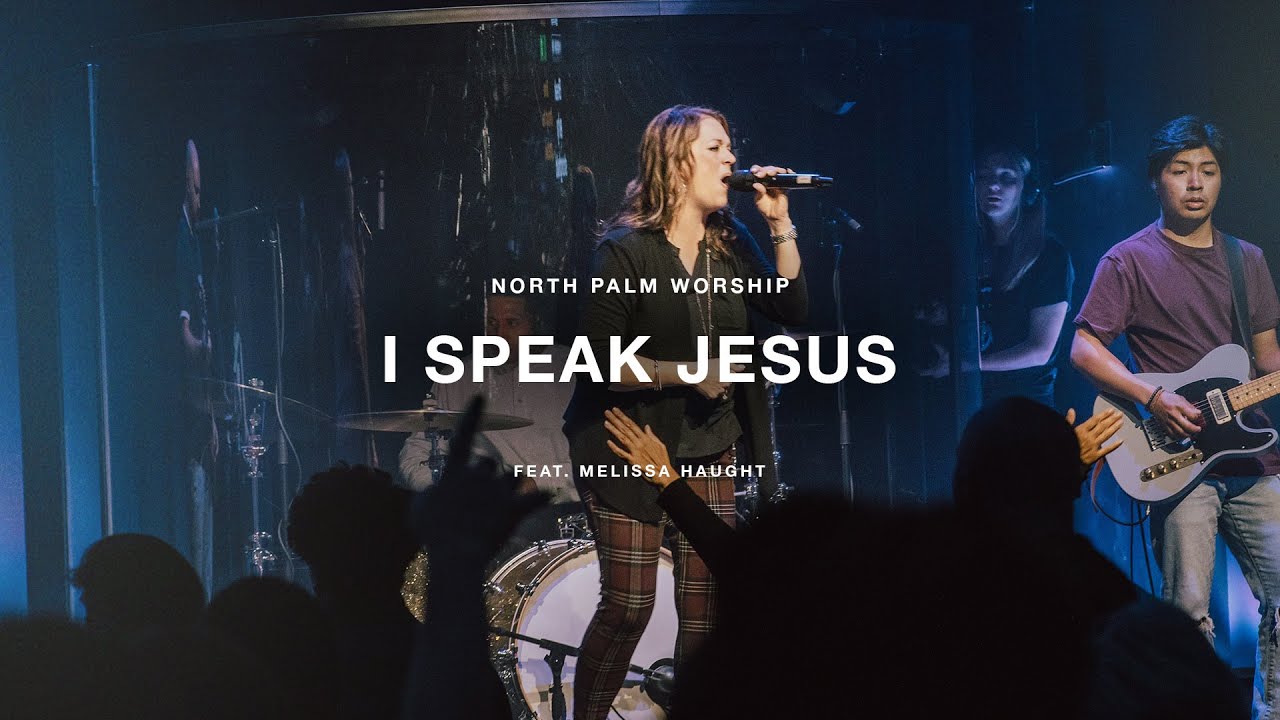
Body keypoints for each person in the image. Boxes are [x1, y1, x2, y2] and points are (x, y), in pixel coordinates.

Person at [561, 104, 808, 719]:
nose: (732, 159)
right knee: (629, 606)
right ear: (676, 162)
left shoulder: (730, 242)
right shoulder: (625, 251)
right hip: (627, 442)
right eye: (716, 148)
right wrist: (687, 373)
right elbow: (597, 360)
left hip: (709, 443)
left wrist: (780, 222)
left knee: (707, 608)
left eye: (730, 147)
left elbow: (790, 308)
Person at [1072, 115, 1280, 719]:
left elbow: (1266, 359)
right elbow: (1084, 348)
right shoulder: (1127, 260)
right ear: (1155, 179)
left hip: (1252, 456)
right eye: (1180, 170)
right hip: (1179, 458)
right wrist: (1152, 396)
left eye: (1208, 171)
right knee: (1187, 614)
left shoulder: (1247, 260)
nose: (1195, 183)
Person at [398, 293, 579, 542]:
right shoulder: (456, 375)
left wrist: (539, 482)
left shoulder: (573, 367)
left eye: (512, 323)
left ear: (535, 322)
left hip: (563, 518)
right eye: (491, 323)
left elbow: (600, 462)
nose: (499, 335)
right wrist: (439, 491)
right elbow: (418, 451)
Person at [921, 146, 1073, 407]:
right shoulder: (970, 250)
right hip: (973, 401)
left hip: (1025, 404)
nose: (993, 186)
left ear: (1027, 190)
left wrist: (966, 364)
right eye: (984, 176)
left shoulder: (1049, 255)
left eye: (1007, 177)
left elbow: (1040, 350)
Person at [177, 139, 216, 593]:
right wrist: (199, 341)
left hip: (201, 400)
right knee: (194, 490)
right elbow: (184, 337)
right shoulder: (181, 242)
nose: (199, 197)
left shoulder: (196, 240)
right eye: (195, 187)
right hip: (188, 401)